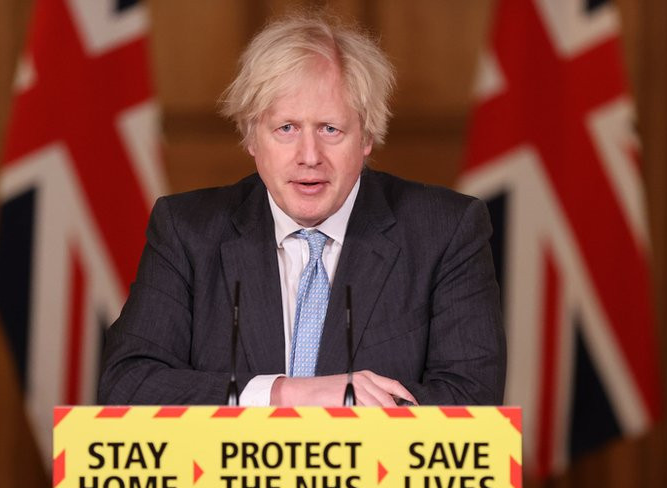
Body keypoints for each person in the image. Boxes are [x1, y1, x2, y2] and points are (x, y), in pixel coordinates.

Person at [99, 12, 505, 411]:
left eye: (330, 129)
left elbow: (472, 402)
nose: (309, 156)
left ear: (366, 136)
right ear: (251, 137)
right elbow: (127, 384)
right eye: (286, 128)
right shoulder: (187, 231)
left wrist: (345, 409)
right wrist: (286, 394)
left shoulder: (446, 231)